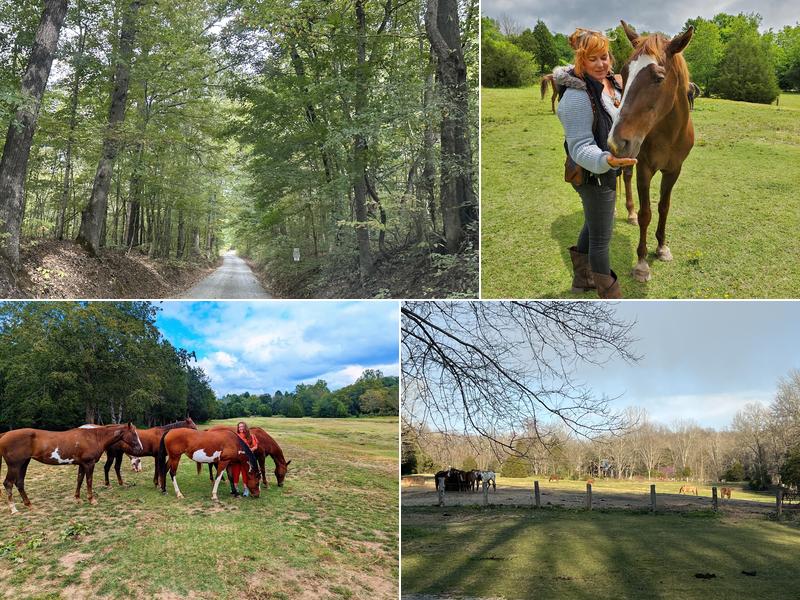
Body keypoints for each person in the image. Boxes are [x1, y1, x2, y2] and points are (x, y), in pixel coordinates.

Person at [554, 28, 637, 298]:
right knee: (602, 239)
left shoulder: (609, 83)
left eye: (605, 57)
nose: (602, 64)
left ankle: (582, 280)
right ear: (581, 61)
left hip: (606, 171)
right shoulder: (576, 97)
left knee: (593, 224)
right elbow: (579, 148)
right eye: (593, 59)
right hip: (594, 175)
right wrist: (607, 161)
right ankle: (610, 296)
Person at [231, 421, 258, 497]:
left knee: (245, 473)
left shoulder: (250, 436)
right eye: (239, 427)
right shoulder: (236, 436)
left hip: (246, 458)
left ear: (245, 427)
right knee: (235, 472)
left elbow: (255, 446)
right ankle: (235, 488)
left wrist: (248, 451)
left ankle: (245, 489)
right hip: (237, 458)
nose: (241, 428)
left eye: (242, 426)